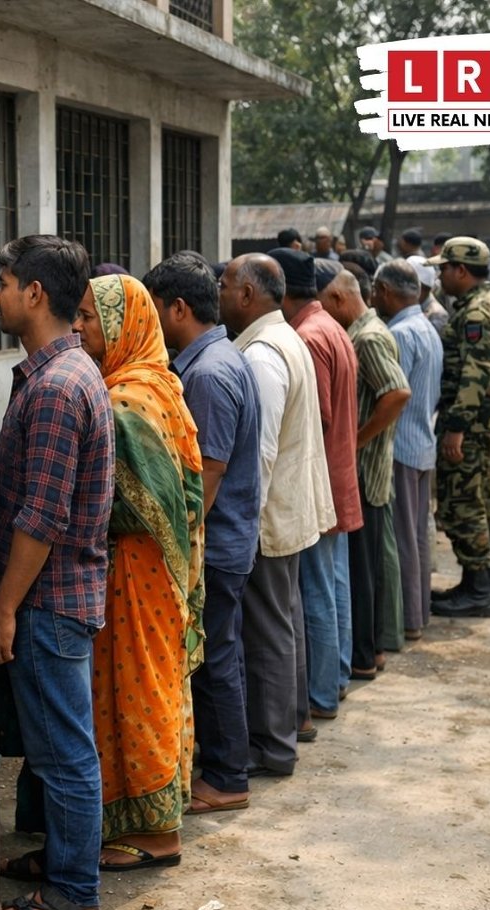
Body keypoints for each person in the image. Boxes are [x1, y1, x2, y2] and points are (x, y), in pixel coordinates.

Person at [0, 234, 112, 910]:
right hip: (54, 599)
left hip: (48, 602)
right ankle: (64, 866)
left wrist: (4, 608)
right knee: (58, 754)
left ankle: (72, 893)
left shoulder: (60, 387)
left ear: (35, 294)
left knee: (65, 758)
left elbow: (41, 518)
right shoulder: (59, 373)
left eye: (5, 283)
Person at [71, 274, 204, 871]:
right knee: (150, 686)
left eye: (88, 318)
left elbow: (137, 503)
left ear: (123, 327)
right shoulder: (160, 383)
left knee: (139, 689)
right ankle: (143, 815)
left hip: (136, 572)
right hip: (153, 574)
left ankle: (155, 832)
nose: (78, 328)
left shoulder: (129, 400)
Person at [145, 252, 262, 815]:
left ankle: (226, 775)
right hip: (227, 538)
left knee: (214, 660)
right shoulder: (216, 357)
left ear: (178, 309)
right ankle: (223, 767)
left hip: (217, 543)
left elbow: (206, 473)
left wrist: (182, 543)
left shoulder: (211, 372)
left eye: (155, 310)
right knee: (218, 655)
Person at [220, 253, 334, 779]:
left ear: (246, 295)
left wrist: (244, 524)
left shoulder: (263, 353)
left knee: (266, 633)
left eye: (224, 285)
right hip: (287, 509)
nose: (218, 294)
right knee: (281, 626)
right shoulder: (282, 338)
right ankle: (290, 724)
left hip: (268, 516)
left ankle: (273, 746)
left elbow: (259, 453)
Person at [271, 247, 359, 720]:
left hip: (319, 477)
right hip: (336, 472)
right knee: (332, 584)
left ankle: (323, 692)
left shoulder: (308, 336)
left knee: (319, 590)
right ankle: (336, 676)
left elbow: (317, 416)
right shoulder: (331, 327)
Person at [322, 271, 411, 678]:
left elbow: (397, 393)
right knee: (366, 567)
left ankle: (366, 654)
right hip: (367, 469)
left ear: (340, 298)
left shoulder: (368, 337)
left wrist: (357, 439)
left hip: (365, 471)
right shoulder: (364, 331)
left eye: (325, 302)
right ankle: (369, 652)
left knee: (363, 571)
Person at [428, 237, 490, 617]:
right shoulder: (488, 303)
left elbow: (473, 377)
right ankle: (483, 585)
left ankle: (479, 590)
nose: (440, 275)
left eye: (443, 268)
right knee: (481, 501)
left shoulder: (477, 313)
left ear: (461, 270)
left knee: (464, 504)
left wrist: (456, 428)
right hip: (486, 419)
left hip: (473, 423)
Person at [374, 261, 442, 640]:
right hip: (422, 443)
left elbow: (394, 395)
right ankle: (419, 613)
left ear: (384, 291)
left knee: (402, 538)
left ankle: (409, 618)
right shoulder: (427, 328)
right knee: (415, 534)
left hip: (400, 446)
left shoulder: (399, 333)